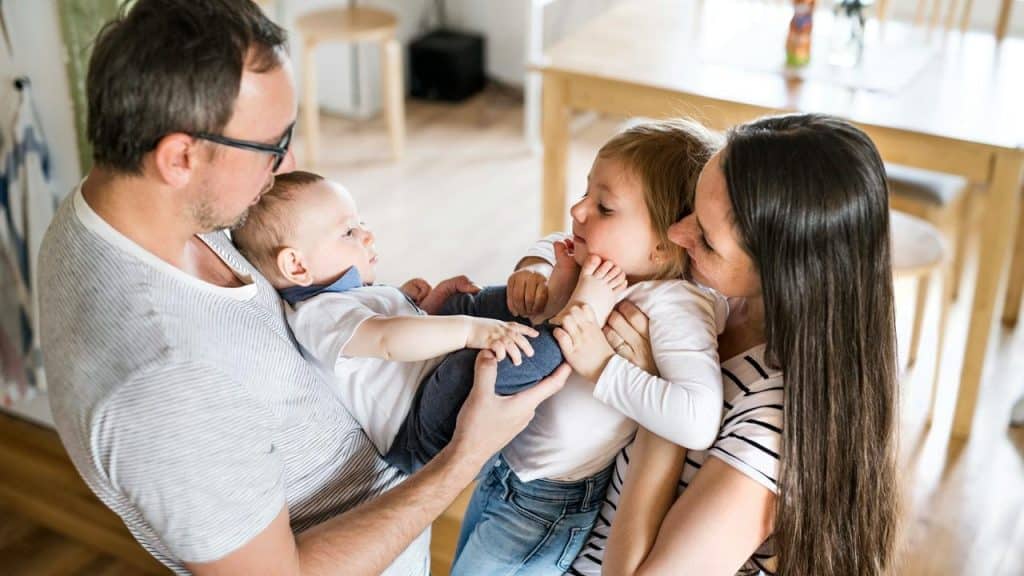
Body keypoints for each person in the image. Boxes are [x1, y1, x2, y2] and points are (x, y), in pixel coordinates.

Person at [36, 1, 566, 575]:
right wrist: (465, 456)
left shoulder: (128, 204)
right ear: (179, 157)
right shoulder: (164, 381)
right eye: (271, 144)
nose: (287, 160)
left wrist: (397, 308)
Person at [561, 113, 901, 575]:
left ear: (783, 272)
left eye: (705, 238)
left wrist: (657, 403)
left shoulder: (775, 422)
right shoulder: (713, 296)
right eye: (690, 210)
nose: (676, 234)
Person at [450, 119, 729, 575]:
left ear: (664, 246)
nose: (578, 209)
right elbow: (551, 243)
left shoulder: (674, 305)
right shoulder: (597, 259)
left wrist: (602, 364)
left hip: (547, 503)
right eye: (585, 192)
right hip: (502, 463)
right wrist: (535, 269)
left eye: (604, 207)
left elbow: (697, 422)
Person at [232, 170, 591, 472]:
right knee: (474, 365)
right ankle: (567, 327)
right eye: (348, 233)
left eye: (360, 224)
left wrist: (423, 307)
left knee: (463, 303)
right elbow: (387, 340)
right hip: (418, 428)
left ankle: (546, 303)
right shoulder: (317, 315)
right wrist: (471, 330)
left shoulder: (342, 296)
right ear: (297, 266)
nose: (367, 235)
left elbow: (389, 344)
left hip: (425, 380)